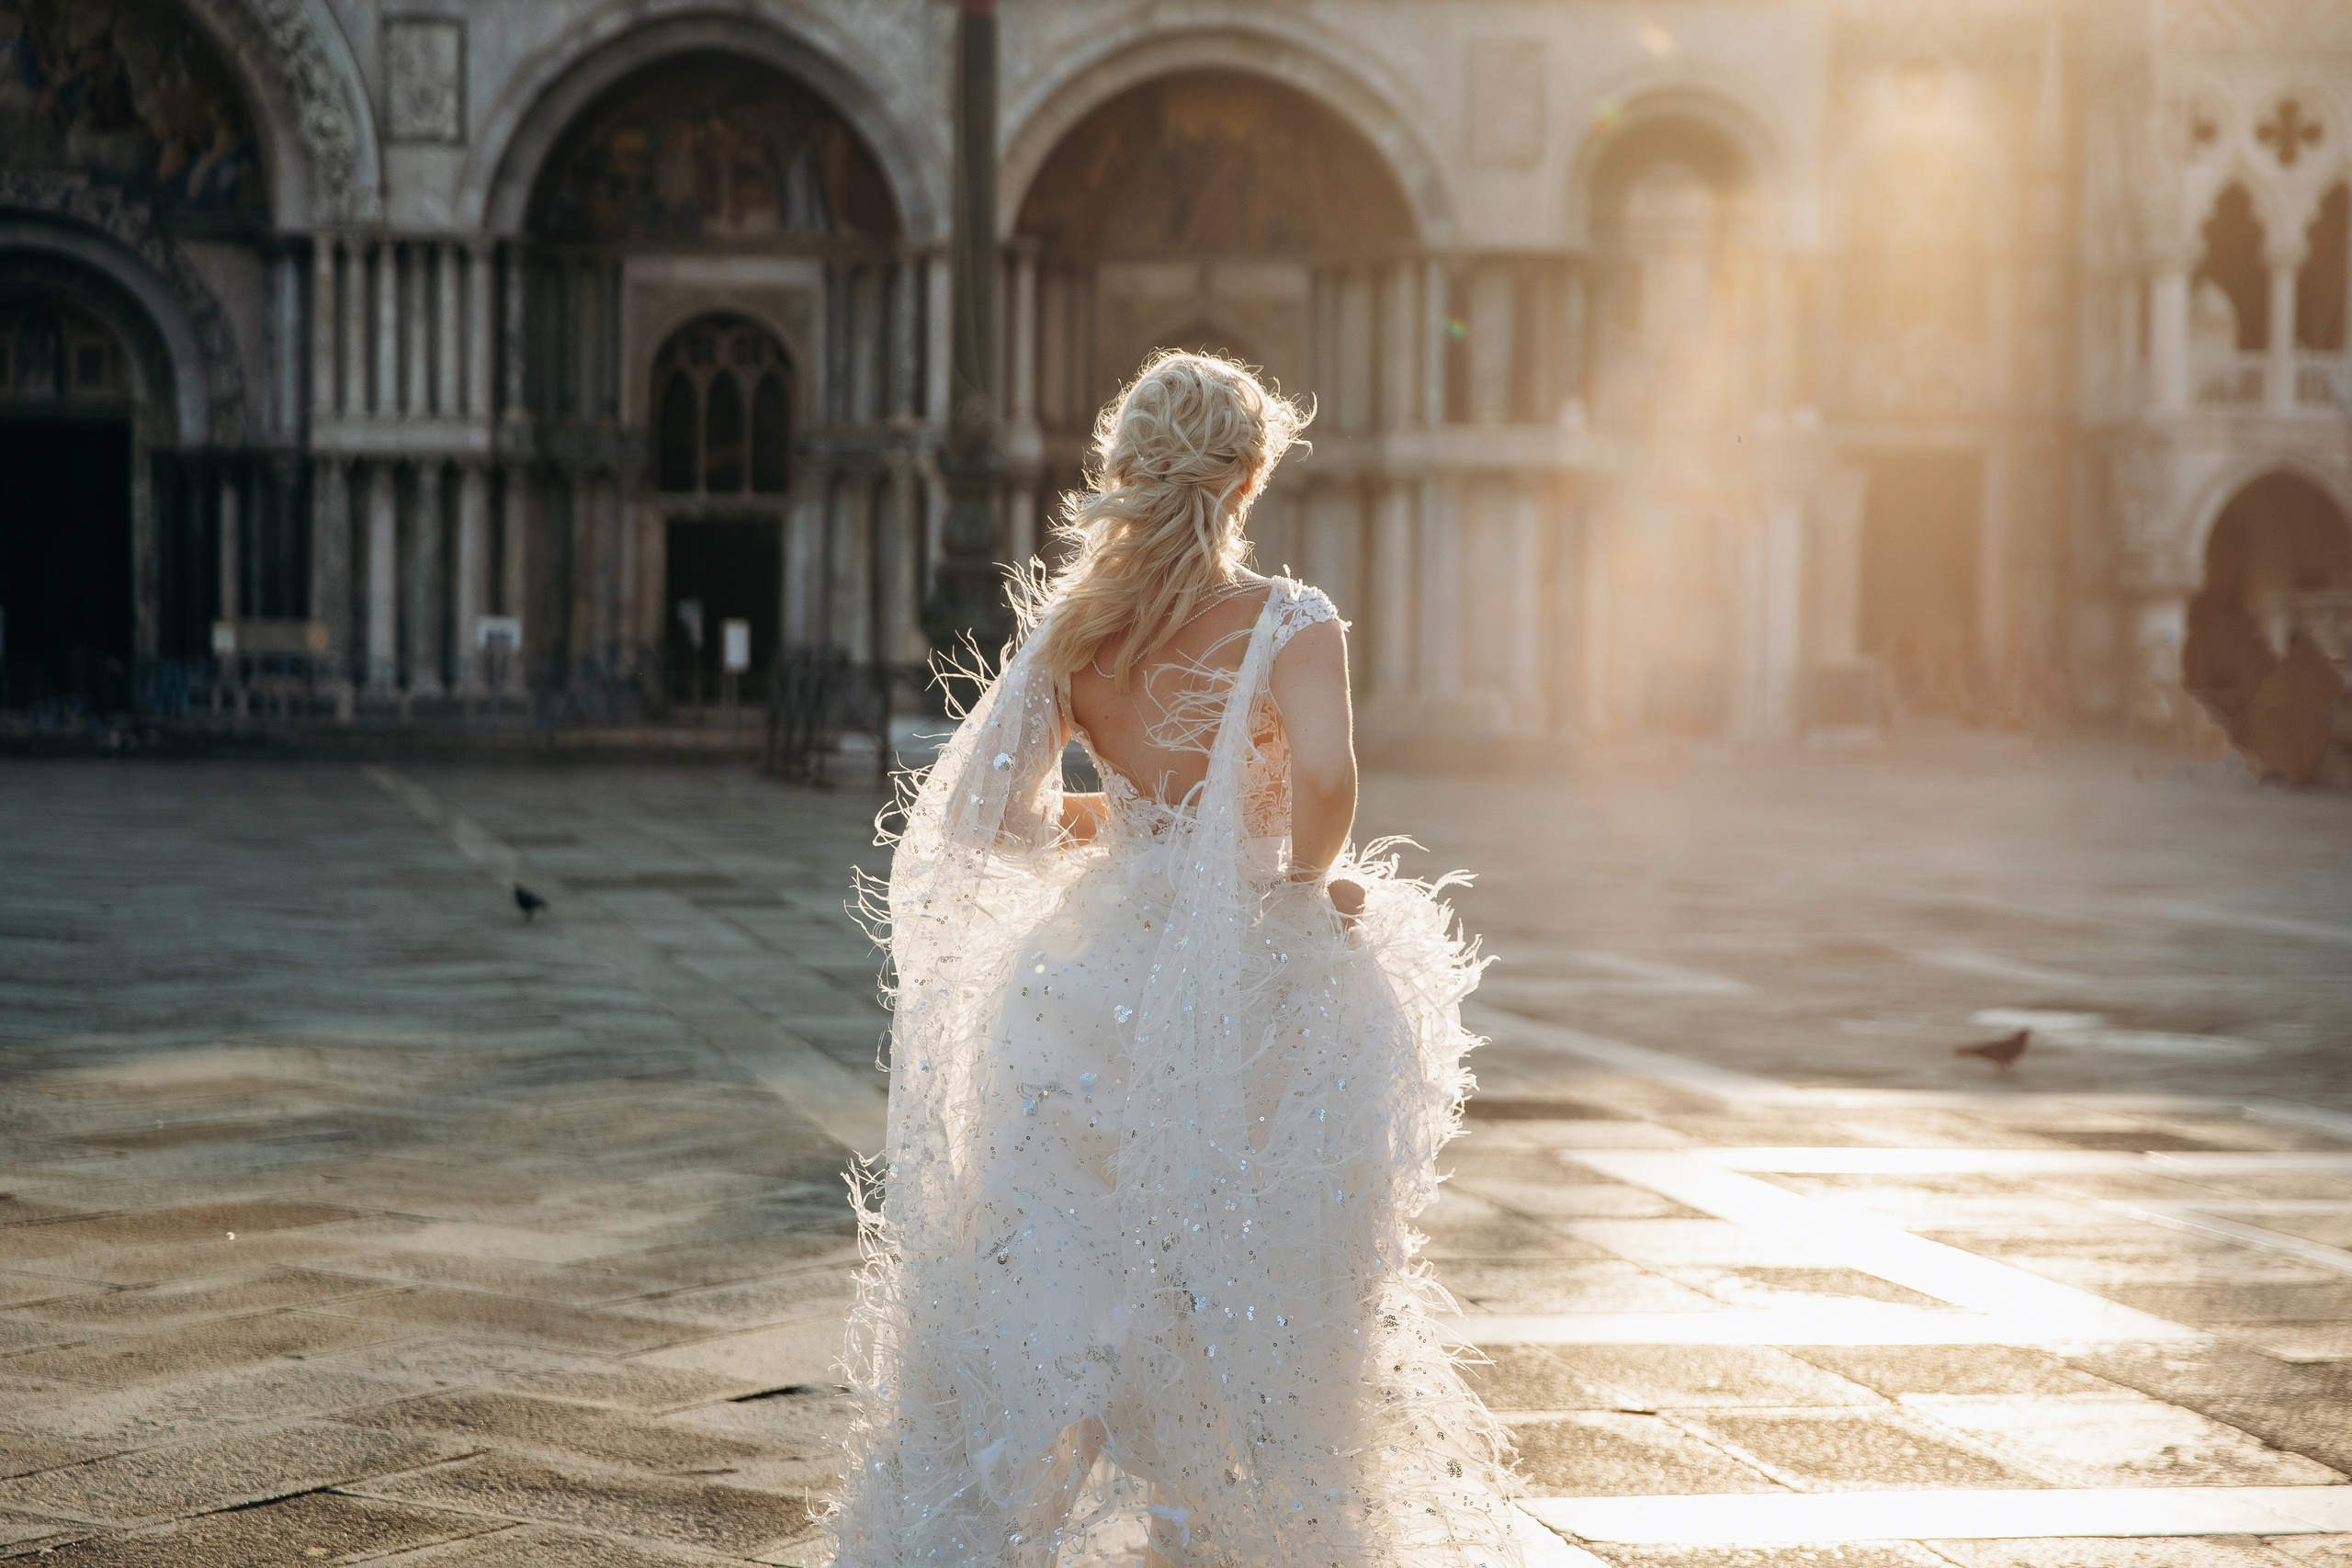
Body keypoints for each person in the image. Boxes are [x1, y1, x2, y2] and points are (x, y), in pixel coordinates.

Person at [830, 351, 1525, 1567]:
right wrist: (1301, 884)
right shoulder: (1288, 618)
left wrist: (1128, 822)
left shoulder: (1079, 631)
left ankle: (1012, 1508)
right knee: (1243, 1259)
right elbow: (1322, 776)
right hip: (1250, 963)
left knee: (1076, 1258)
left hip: (1092, 970)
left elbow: (992, 813)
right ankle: (1207, 1523)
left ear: (1127, 473)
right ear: (1249, 474)